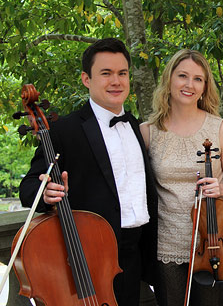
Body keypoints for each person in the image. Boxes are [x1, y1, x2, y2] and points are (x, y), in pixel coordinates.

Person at [19, 38, 158, 306]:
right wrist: (45, 192)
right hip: (88, 256)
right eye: (106, 73)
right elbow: (27, 187)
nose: (116, 81)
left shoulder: (134, 124)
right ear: (86, 79)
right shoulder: (65, 130)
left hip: (134, 255)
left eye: (122, 73)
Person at [140, 49, 223, 306]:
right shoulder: (147, 132)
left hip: (214, 243)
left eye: (198, 79)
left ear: (205, 86)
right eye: (182, 76)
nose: (189, 85)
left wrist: (220, 190)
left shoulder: (220, 128)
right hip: (167, 243)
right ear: (169, 79)